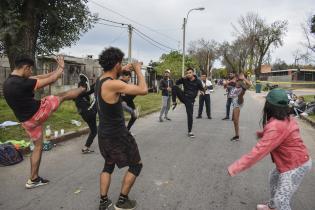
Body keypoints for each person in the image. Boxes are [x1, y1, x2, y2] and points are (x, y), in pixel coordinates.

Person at [3, 55, 86, 189]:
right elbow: (52, 79)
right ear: (25, 68)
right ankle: (85, 88)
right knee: (62, 96)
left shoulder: (9, 82)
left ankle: (33, 179)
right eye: (30, 70)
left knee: (37, 146)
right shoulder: (21, 83)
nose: (31, 73)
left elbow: (39, 78)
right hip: (38, 113)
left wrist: (54, 71)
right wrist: (61, 68)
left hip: (27, 122)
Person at [228, 88, 312, 210]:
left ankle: (276, 205)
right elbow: (282, 133)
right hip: (290, 161)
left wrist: (235, 167)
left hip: (296, 165)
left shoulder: (276, 126)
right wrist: (264, 134)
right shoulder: (286, 118)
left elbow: (258, 152)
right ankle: (272, 206)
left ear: (269, 106)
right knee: (273, 178)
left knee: (281, 201)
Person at [95, 47, 147, 210]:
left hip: (103, 133)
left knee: (108, 165)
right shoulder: (114, 84)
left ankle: (104, 201)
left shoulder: (100, 80)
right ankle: (122, 201)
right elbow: (143, 90)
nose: (123, 66)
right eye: (121, 63)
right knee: (136, 165)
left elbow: (114, 73)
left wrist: (123, 68)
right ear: (116, 64)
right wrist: (138, 70)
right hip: (118, 134)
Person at [172, 68, 204, 138]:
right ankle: (174, 102)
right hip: (183, 96)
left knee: (190, 115)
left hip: (190, 100)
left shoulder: (198, 81)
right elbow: (176, 83)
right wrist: (182, 78)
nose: (188, 74)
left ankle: (190, 131)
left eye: (190, 73)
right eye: (187, 73)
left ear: (193, 73)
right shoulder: (185, 79)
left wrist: (202, 92)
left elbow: (202, 89)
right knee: (174, 87)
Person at [74, 74, 97, 154]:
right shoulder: (78, 95)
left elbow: (91, 90)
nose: (86, 88)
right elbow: (91, 91)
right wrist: (98, 82)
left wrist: (95, 82)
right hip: (89, 113)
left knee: (94, 131)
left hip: (87, 116)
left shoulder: (82, 94)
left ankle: (86, 147)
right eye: (84, 87)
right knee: (96, 100)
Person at [230, 73, 251, 141]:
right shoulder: (236, 82)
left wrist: (244, 78)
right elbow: (226, 84)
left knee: (236, 120)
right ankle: (237, 135)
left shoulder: (241, 83)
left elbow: (249, 85)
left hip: (238, 102)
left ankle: (237, 136)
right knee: (234, 120)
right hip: (234, 102)